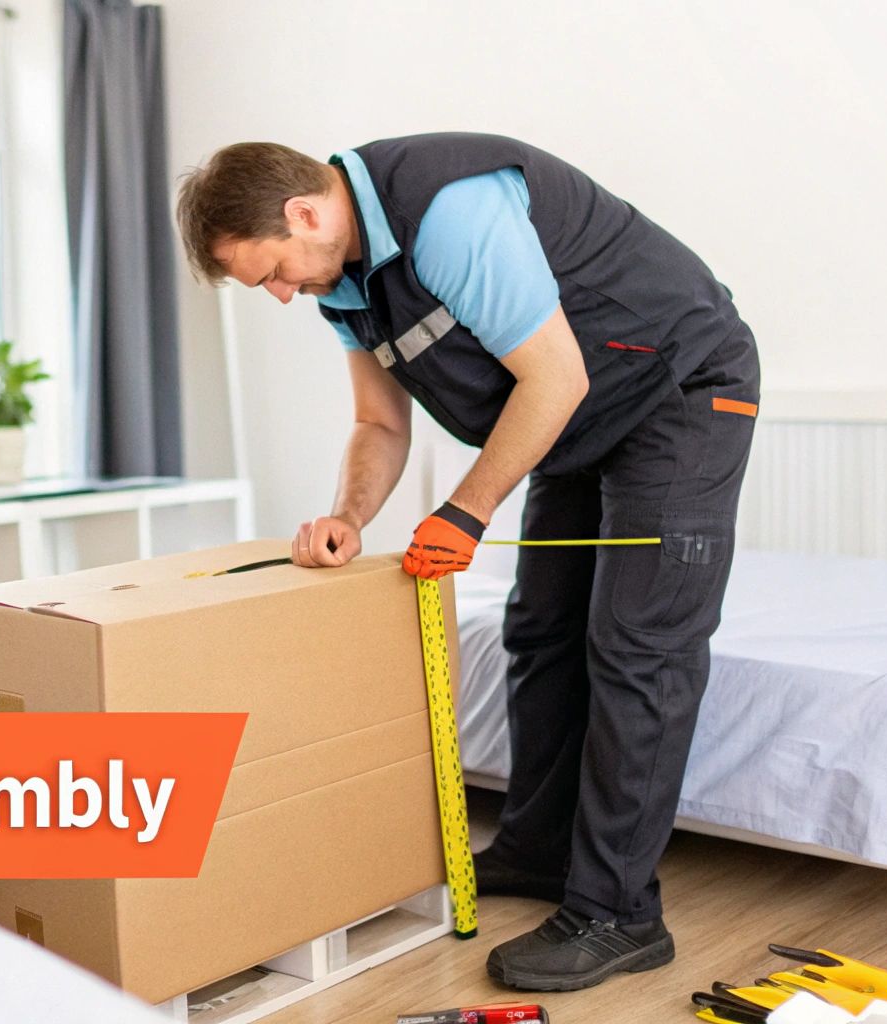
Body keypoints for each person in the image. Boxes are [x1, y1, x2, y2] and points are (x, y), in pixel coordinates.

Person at [174, 133, 758, 993]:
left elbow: (552, 379)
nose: (282, 294)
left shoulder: (448, 211)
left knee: (640, 646)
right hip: (581, 417)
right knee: (541, 630)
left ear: (304, 213)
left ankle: (618, 914)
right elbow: (379, 424)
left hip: (678, 391)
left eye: (272, 272)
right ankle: (540, 847)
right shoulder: (347, 284)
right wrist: (347, 517)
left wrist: (465, 510)